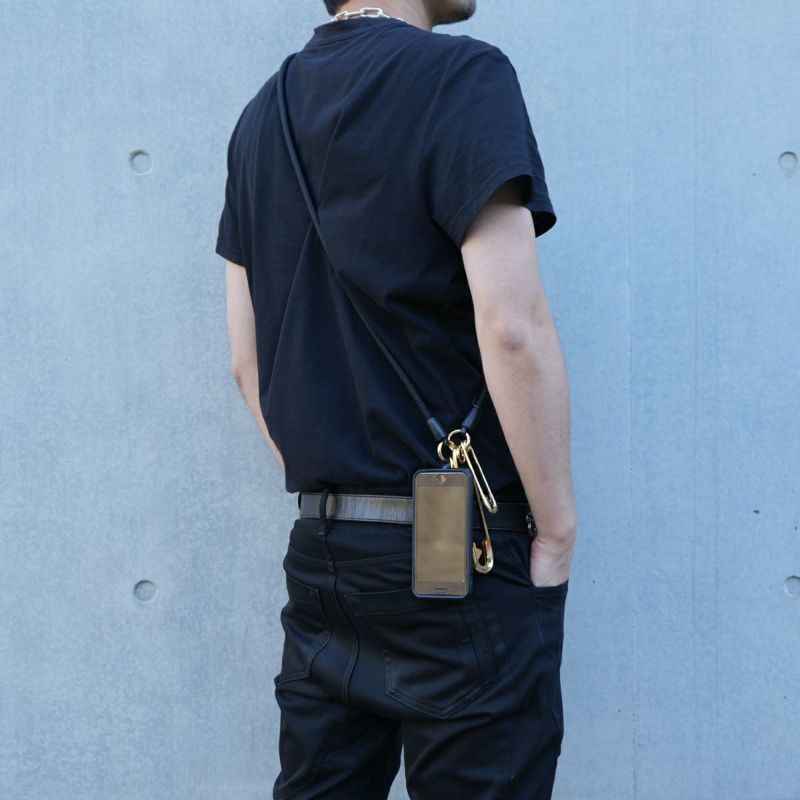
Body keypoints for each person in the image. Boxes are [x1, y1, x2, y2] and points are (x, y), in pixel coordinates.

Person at [215, 1, 578, 797]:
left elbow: (247, 364)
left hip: (324, 551)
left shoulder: (260, 118)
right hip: (451, 548)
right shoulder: (463, 76)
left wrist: (340, 480)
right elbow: (512, 328)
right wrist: (556, 529)